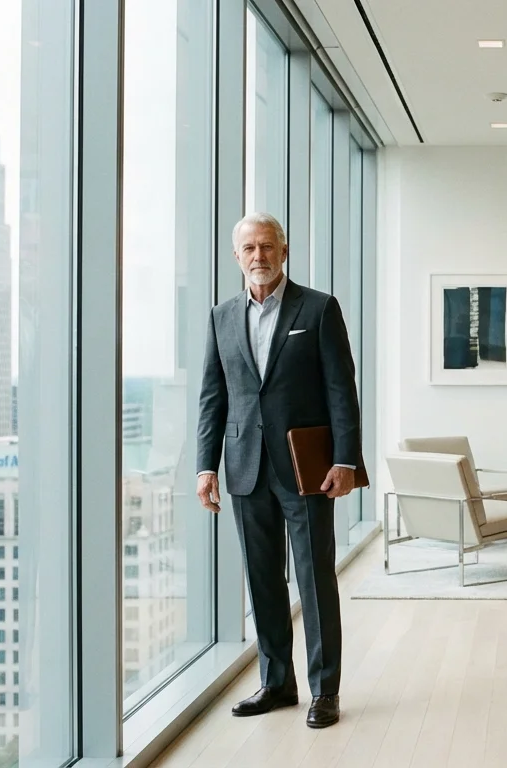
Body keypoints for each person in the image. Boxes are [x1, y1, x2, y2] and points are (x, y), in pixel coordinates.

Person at [195, 212, 362, 727]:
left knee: (314, 581)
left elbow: (341, 390)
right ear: (237, 256)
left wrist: (346, 460)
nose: (259, 257)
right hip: (245, 467)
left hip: (305, 467)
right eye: (249, 248)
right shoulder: (222, 317)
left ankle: (325, 691)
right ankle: (276, 683)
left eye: (267, 246)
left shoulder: (319, 308)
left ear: (284, 251)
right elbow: (212, 398)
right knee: (263, 581)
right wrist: (206, 467)